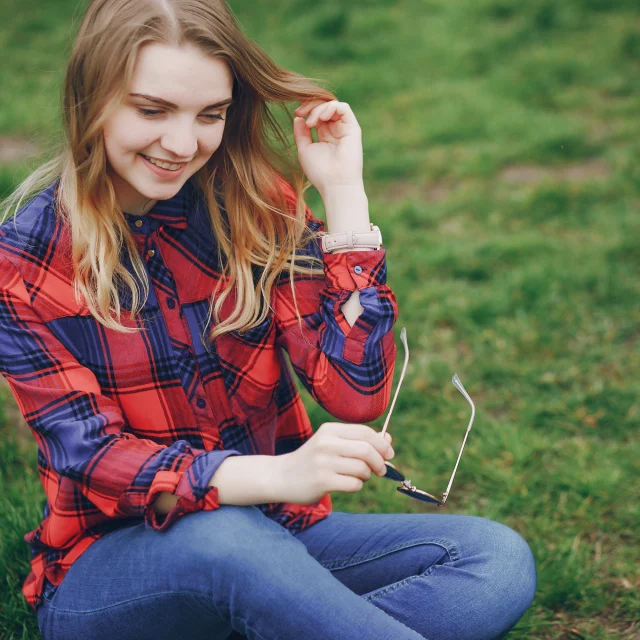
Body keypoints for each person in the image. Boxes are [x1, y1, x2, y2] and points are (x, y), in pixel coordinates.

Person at [0, 1, 536, 638]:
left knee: (492, 560)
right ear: (91, 100)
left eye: (210, 115)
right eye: (152, 110)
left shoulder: (252, 209)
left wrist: (344, 195)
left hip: (280, 536)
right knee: (223, 539)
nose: (182, 144)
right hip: (117, 568)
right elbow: (92, 456)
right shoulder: (24, 260)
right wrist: (280, 474)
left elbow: (355, 392)